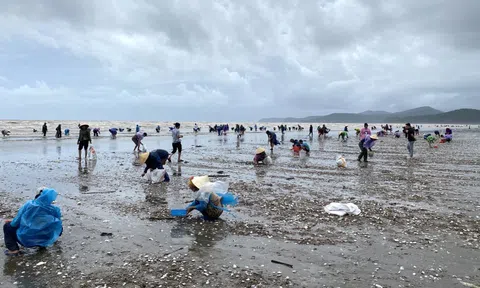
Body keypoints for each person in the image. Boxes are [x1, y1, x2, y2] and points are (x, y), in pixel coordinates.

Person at [3, 188, 63, 256]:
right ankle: (42, 246)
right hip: (45, 240)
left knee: (7, 226)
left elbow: (15, 223)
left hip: (26, 240)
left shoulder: (29, 204)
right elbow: (59, 226)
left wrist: (12, 221)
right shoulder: (54, 209)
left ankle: (13, 250)